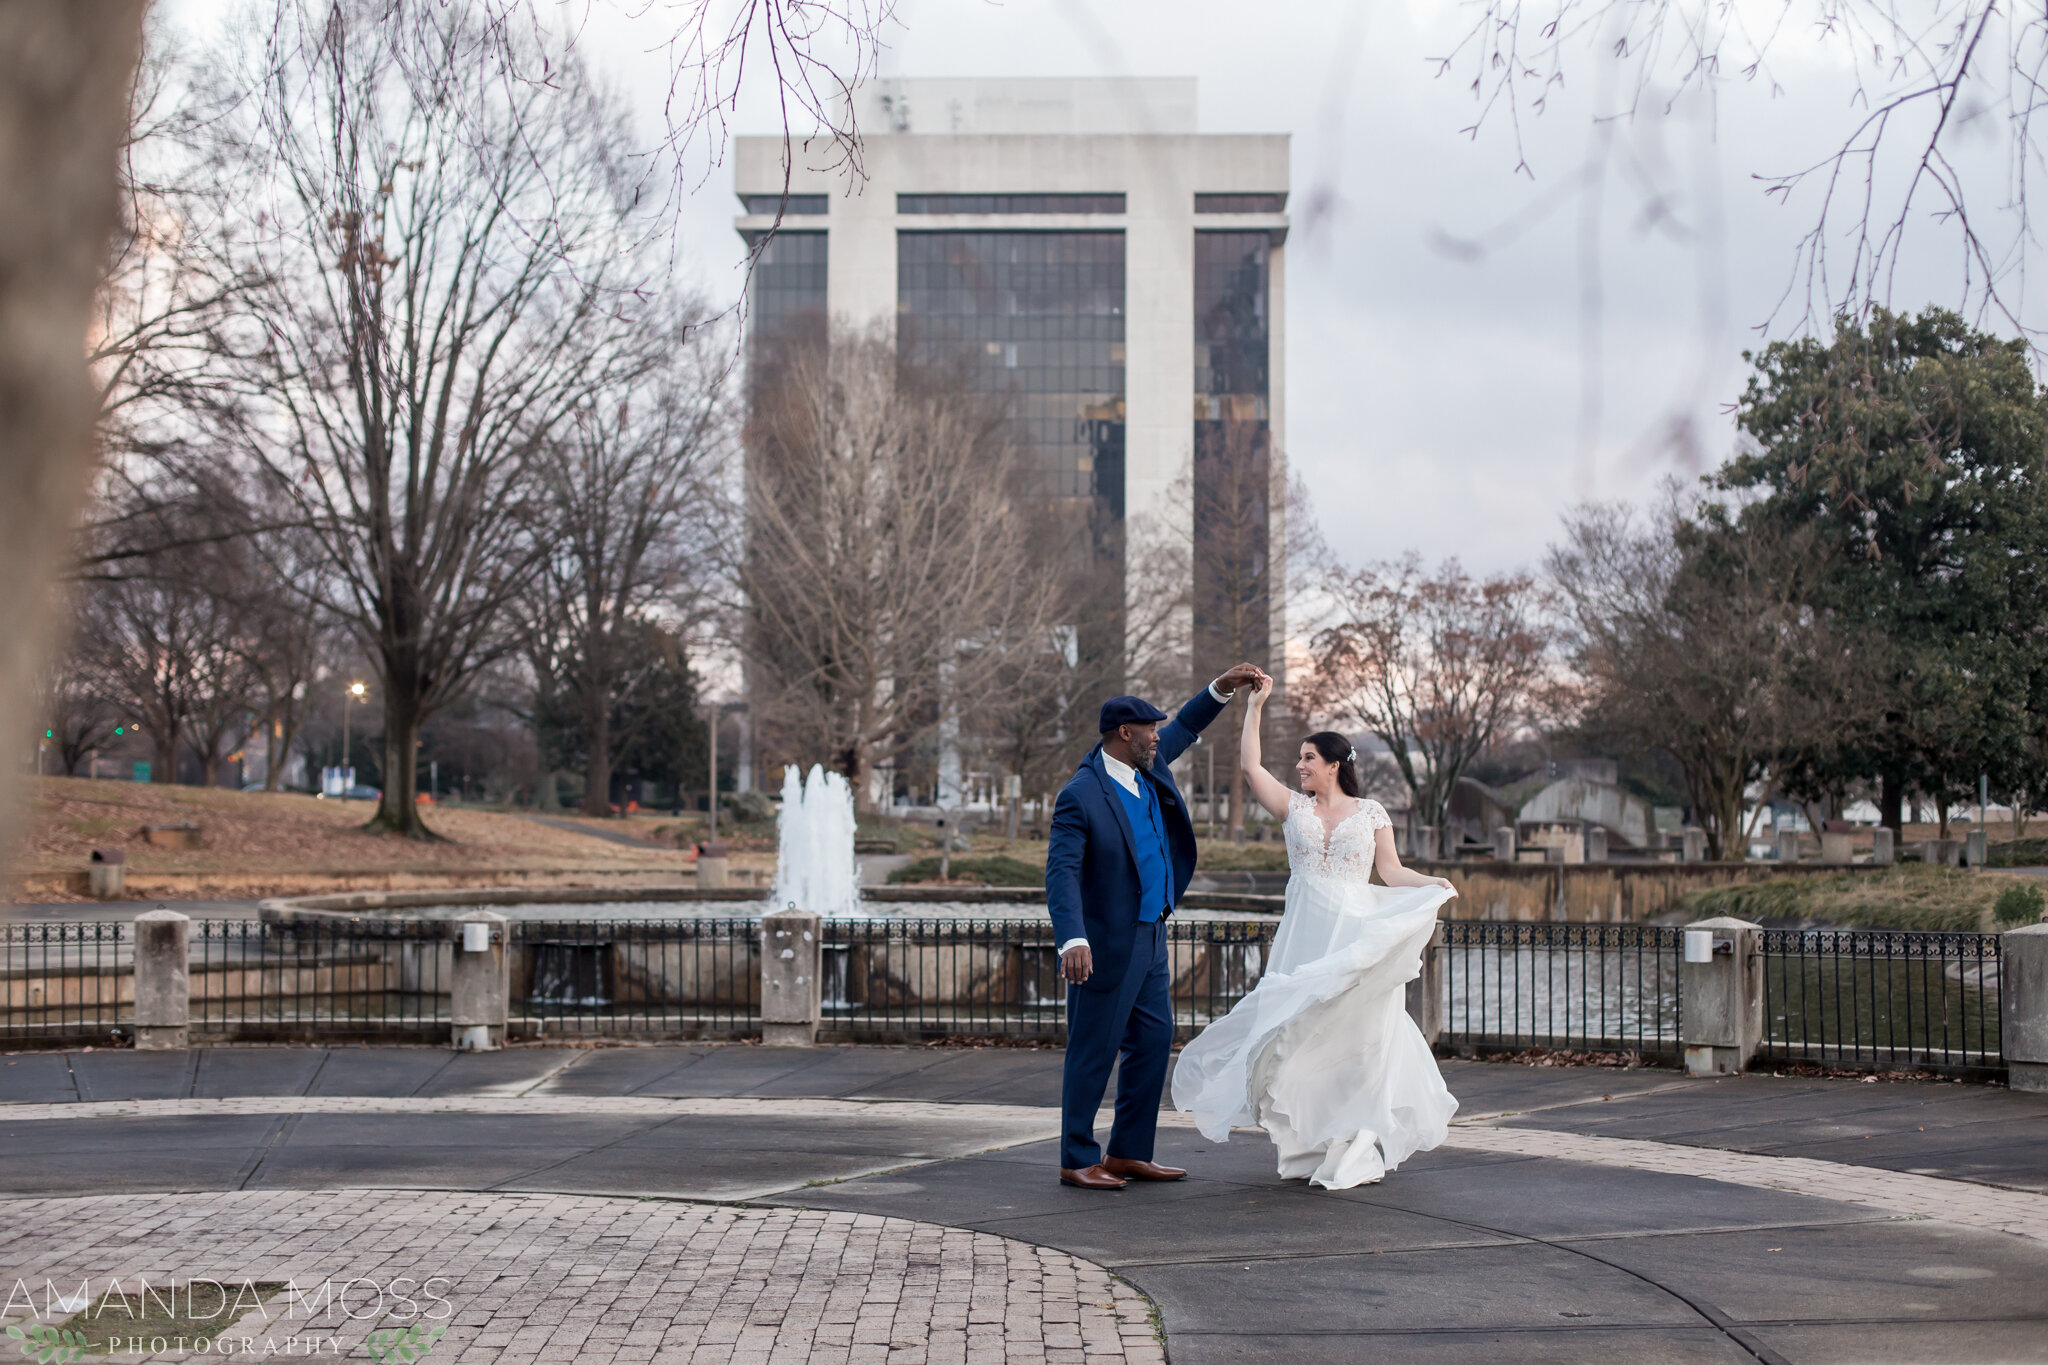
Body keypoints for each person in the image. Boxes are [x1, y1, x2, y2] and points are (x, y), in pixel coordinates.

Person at [1171, 674, 1460, 1189]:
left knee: (1357, 1031)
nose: (1300, 766)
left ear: (1334, 765)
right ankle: (1308, 1138)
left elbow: (1391, 873)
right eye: (1299, 759)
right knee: (1296, 1028)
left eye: (1308, 758)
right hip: (1305, 929)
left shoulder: (1371, 813)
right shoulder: (1293, 807)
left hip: (1353, 930)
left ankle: (1353, 1140)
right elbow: (1250, 766)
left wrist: (1430, 882)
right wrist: (1255, 706)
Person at [1046, 663, 1267, 1190]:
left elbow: (1188, 725)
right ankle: (1077, 1157)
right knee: (1093, 1049)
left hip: (1151, 935)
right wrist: (1072, 938)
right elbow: (1062, 872)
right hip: (1104, 944)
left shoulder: (1148, 767)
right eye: (1150, 730)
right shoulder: (1081, 793)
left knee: (1152, 1040)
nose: (1158, 737)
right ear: (1125, 734)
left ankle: (1127, 1152)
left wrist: (1223, 688)